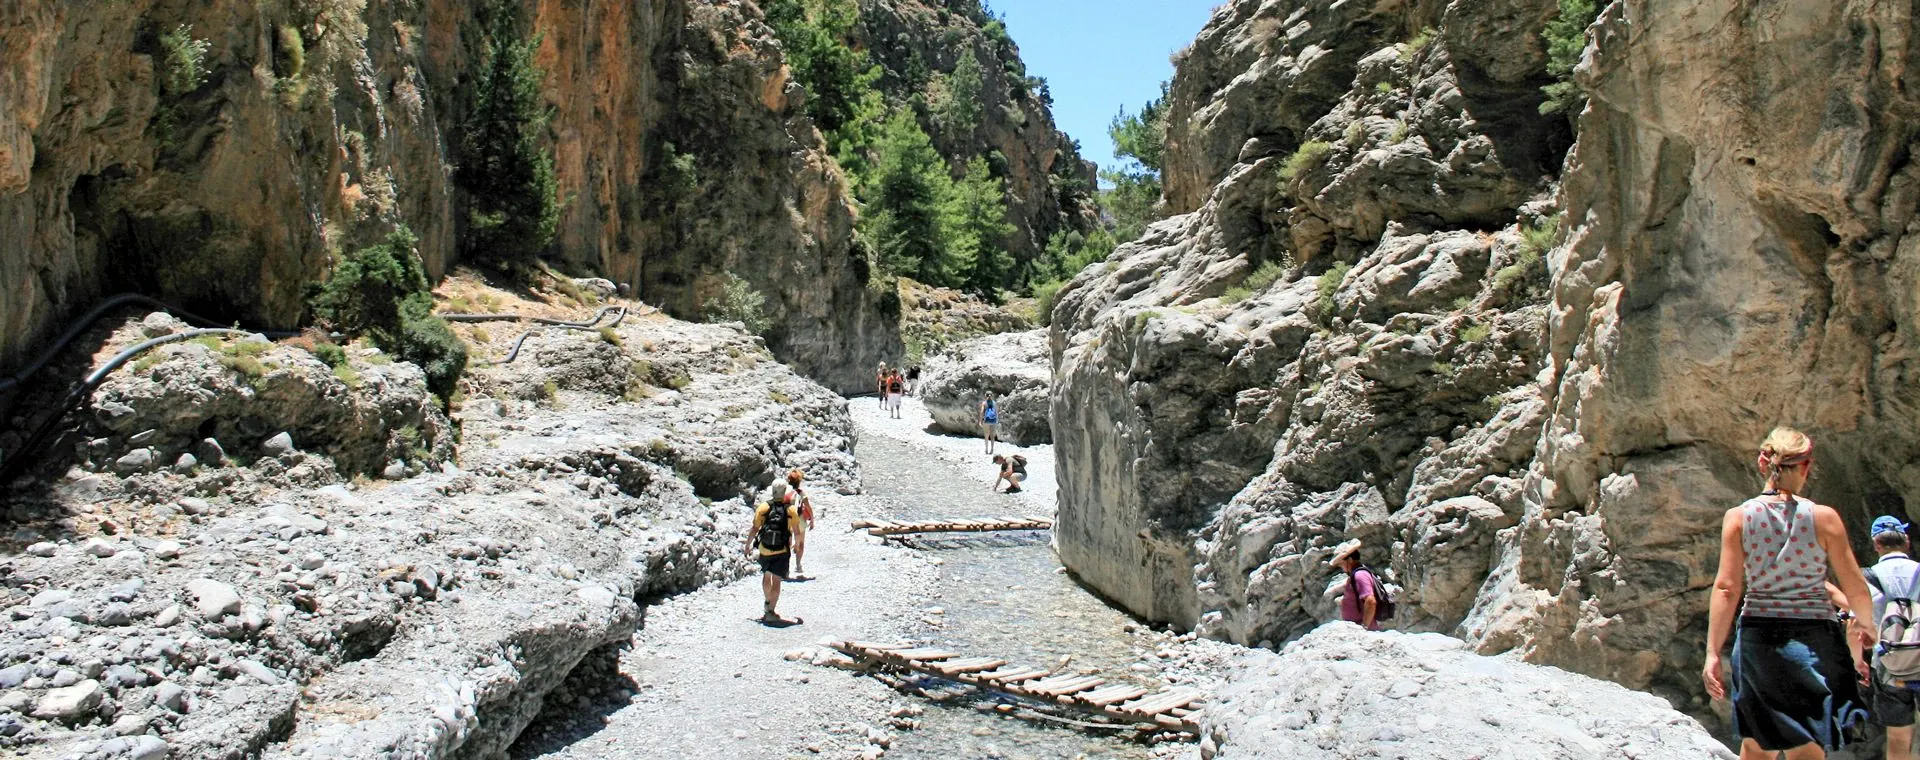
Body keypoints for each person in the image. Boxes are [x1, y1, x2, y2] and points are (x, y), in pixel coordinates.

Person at [1704, 427, 1874, 760]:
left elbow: (1727, 587)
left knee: (1756, 744)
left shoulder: (1738, 518)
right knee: (1807, 744)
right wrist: (1867, 626)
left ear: (1762, 462)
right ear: (1806, 466)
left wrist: (1712, 652)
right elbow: (1854, 584)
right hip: (1813, 641)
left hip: (1758, 640)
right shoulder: (1824, 518)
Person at [1867, 515, 1920, 758]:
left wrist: (1859, 662)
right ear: (1906, 542)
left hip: (1888, 664)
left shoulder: (1868, 578)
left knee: (1898, 736)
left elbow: (1857, 624)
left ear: (1876, 544)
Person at [745, 482, 806, 625]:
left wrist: (747, 545)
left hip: (765, 548)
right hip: (782, 549)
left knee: (767, 575)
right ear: (784, 492)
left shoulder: (764, 507)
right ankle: (771, 611)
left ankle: (767, 604)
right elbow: (797, 532)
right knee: (777, 580)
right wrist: (796, 546)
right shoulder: (790, 509)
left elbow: (754, 528)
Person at [1330, 539, 1381, 631]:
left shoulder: (1359, 575)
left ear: (1349, 560)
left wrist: (1364, 627)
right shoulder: (1357, 574)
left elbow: (1370, 601)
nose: (1340, 567)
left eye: (1341, 563)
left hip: (1366, 633)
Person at [787, 469, 816, 579]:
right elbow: (808, 507)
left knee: (787, 544)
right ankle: (798, 565)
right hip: (799, 520)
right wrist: (812, 520)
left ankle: (786, 567)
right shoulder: (800, 493)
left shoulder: (786, 493)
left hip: (788, 521)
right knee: (801, 543)